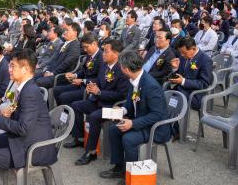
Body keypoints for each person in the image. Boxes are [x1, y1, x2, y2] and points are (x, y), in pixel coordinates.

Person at [0, 49, 57, 185]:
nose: (9, 69)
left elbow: (23, 128)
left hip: (33, 148)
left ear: (25, 69)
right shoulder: (25, 87)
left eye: (12, 66)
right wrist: (10, 113)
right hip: (25, 140)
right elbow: (23, 115)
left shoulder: (29, 92)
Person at [99, 50, 171, 180]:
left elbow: (157, 115)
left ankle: (130, 177)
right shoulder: (134, 79)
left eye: (120, 67)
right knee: (113, 130)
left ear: (125, 69)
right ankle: (119, 168)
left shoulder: (150, 85)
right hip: (141, 120)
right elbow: (130, 102)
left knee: (129, 139)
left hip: (156, 127)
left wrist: (132, 123)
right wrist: (122, 110)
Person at [64, 40, 129, 166]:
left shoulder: (122, 69)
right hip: (99, 101)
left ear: (116, 54)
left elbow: (121, 95)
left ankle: (91, 151)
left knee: (94, 117)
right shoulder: (105, 65)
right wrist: (91, 85)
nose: (103, 54)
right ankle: (80, 138)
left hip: (115, 107)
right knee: (76, 106)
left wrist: (99, 93)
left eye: (106, 51)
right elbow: (98, 80)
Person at [54, 32, 103, 106]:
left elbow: (100, 80)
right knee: (56, 90)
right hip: (81, 85)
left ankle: (68, 114)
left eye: (86, 47)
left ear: (94, 43)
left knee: (64, 97)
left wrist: (83, 81)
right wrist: (74, 75)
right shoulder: (89, 55)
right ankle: (61, 112)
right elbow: (83, 71)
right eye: (83, 47)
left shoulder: (102, 57)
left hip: (89, 88)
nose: (85, 50)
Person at [169, 37, 213, 111]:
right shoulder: (184, 56)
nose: (182, 55)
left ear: (193, 49)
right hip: (180, 90)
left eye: (184, 53)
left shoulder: (206, 60)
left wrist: (183, 81)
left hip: (194, 94)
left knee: (170, 103)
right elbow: (181, 75)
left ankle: (172, 121)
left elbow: (203, 84)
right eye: (181, 52)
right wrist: (175, 68)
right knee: (161, 95)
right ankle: (169, 120)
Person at [35, 22, 81, 89]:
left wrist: (52, 73)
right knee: (31, 77)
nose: (64, 32)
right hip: (51, 71)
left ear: (75, 33)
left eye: (67, 30)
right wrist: (48, 70)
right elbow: (53, 58)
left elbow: (66, 64)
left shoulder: (75, 47)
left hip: (61, 76)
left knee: (38, 82)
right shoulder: (63, 44)